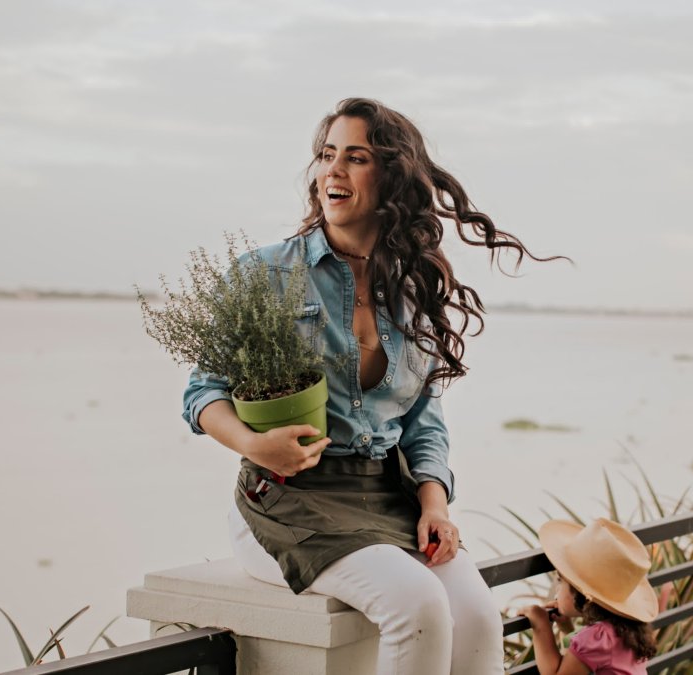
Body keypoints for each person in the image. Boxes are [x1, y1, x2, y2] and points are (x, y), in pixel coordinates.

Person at [181, 97, 565, 675]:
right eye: (326, 154)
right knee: (417, 605)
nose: (332, 170)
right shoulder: (265, 274)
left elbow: (423, 422)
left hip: (389, 499)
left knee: (479, 618)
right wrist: (255, 444)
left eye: (355, 158)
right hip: (286, 501)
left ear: (391, 179)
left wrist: (435, 505)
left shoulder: (413, 292)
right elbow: (202, 392)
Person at [517, 518, 659, 675]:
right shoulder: (627, 630)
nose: (557, 588)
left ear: (583, 594)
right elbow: (579, 664)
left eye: (560, 581)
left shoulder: (597, 638)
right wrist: (567, 630)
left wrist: (540, 624)